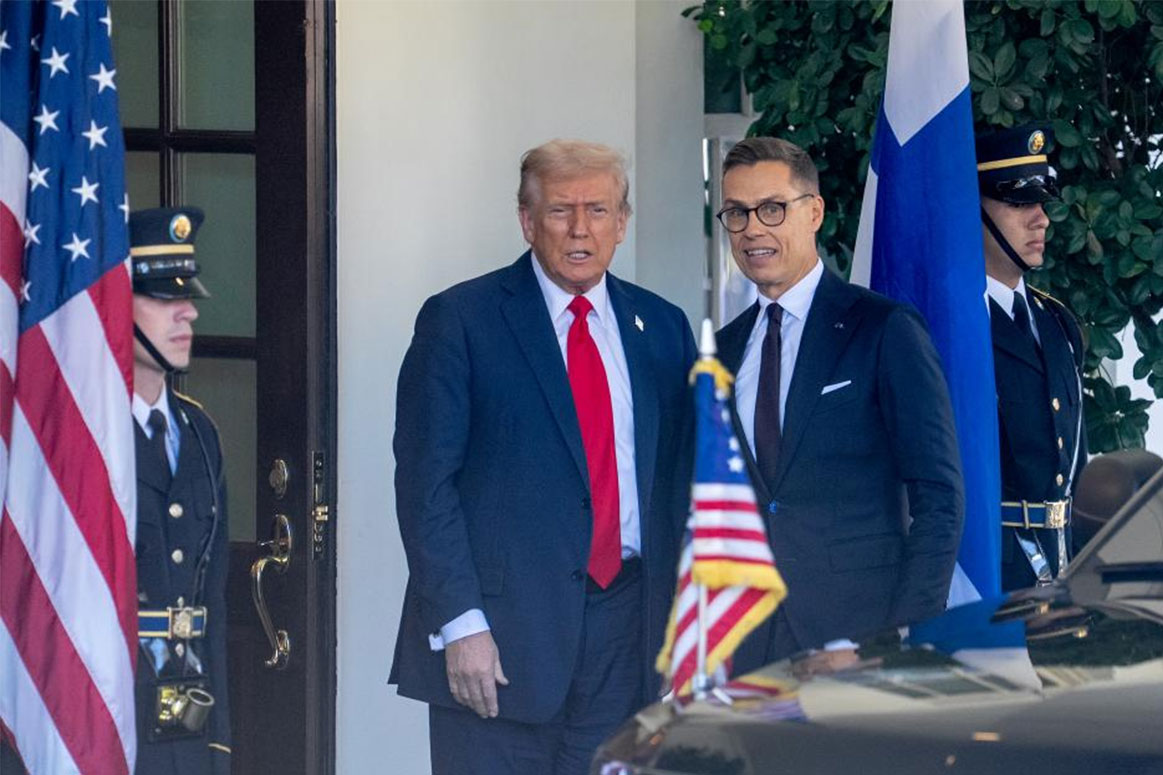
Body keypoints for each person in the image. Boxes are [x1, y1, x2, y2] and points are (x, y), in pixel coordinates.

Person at [390, 139, 696, 775]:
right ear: (527, 221)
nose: (581, 229)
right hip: (499, 644)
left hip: (628, 637)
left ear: (622, 222)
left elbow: (681, 485)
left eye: (598, 210)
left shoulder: (663, 326)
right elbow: (426, 487)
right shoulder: (460, 320)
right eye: (561, 211)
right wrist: (461, 624)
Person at [713, 137, 965, 671]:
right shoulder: (724, 350)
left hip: (857, 640)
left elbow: (939, 497)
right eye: (737, 213)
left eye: (772, 208)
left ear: (815, 213)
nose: (753, 228)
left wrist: (895, 639)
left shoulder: (883, 329)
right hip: (746, 646)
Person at [129, 207, 231, 773]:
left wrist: (219, 744)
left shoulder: (198, 431)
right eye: (163, 297)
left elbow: (212, 598)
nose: (187, 310)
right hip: (104, 708)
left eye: (186, 296)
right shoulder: (82, 439)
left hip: (185, 714)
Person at [976, 124, 1086, 591]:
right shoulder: (949, 330)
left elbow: (1075, 466)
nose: (1041, 219)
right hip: (986, 573)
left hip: (1065, 569)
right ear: (972, 210)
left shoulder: (1057, 322)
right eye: (1020, 203)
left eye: (1041, 203)